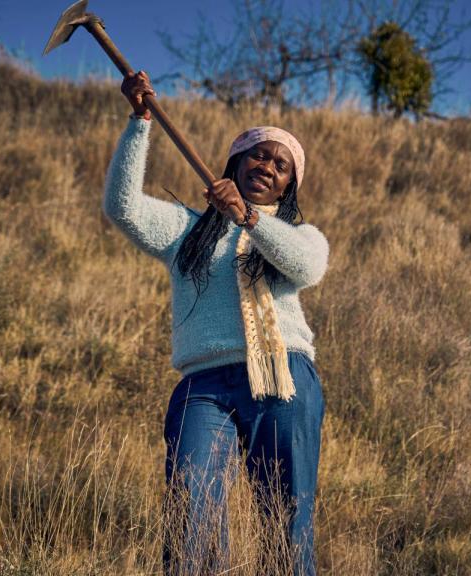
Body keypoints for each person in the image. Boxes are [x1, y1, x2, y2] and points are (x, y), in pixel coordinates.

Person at [103, 71, 329, 576]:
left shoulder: (299, 235)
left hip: (284, 380)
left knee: (286, 520)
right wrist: (139, 122)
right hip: (203, 386)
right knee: (191, 509)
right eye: (258, 155)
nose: (267, 166)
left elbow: (307, 267)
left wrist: (249, 218)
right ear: (236, 162)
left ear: (290, 184)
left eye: (281, 165)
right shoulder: (187, 230)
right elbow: (122, 208)